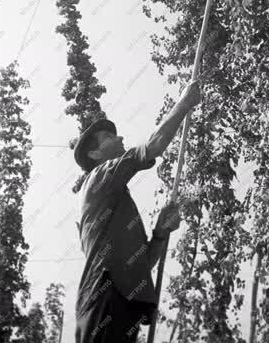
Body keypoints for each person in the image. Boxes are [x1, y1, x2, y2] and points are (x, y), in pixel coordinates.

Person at [74, 79, 202, 342]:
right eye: (109, 137)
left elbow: (142, 264)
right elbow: (153, 146)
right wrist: (184, 103)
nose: (119, 136)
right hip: (103, 297)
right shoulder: (99, 177)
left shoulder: (114, 199)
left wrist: (159, 233)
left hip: (122, 300)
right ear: (96, 155)